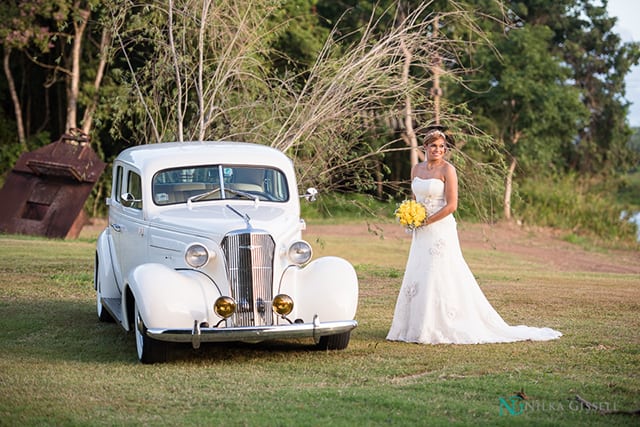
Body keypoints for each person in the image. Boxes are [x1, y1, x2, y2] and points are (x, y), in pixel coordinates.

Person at [386, 129, 562, 344]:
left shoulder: (448, 170)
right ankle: (414, 326)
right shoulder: (416, 169)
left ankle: (439, 325)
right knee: (419, 271)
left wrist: (427, 221)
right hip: (420, 231)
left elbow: (452, 205)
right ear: (425, 147)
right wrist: (411, 217)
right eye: (434, 146)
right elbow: (414, 199)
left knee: (438, 273)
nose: (438, 150)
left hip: (440, 229)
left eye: (442, 146)